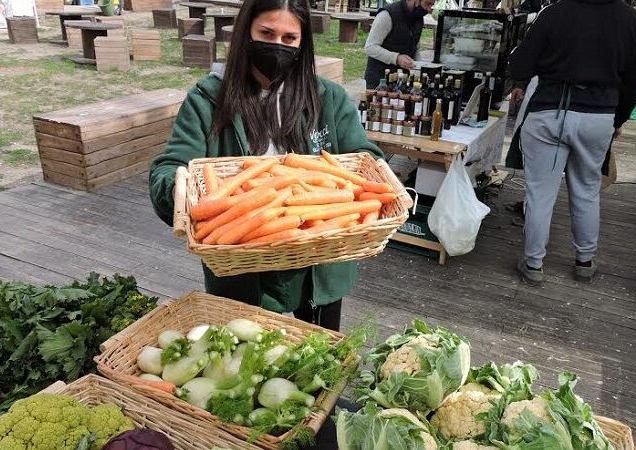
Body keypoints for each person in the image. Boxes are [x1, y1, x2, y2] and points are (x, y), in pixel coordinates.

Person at [148, 0, 382, 331]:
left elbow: (364, 156)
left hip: (319, 262)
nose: (277, 46)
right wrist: (178, 191)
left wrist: (377, 176)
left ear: (302, 45)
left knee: (319, 362)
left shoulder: (327, 98)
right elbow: (172, 165)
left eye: (289, 39)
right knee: (244, 362)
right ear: (246, 33)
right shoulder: (208, 99)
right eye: (266, 33)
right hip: (241, 265)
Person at [508, 0, 636, 285]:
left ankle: (534, 264)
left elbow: (520, 62)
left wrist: (523, 77)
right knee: (586, 190)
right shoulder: (631, 20)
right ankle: (584, 261)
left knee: (540, 193)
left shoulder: (555, 12)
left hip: (549, 113)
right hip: (598, 117)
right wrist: (618, 121)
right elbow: (634, 81)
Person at [363, 0, 435, 89]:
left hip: (401, 81)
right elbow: (370, 47)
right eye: (427, 4)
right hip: (379, 80)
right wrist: (396, 58)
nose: (428, 9)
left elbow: (415, 47)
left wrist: (421, 68)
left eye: (431, 5)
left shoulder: (418, 18)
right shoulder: (387, 14)